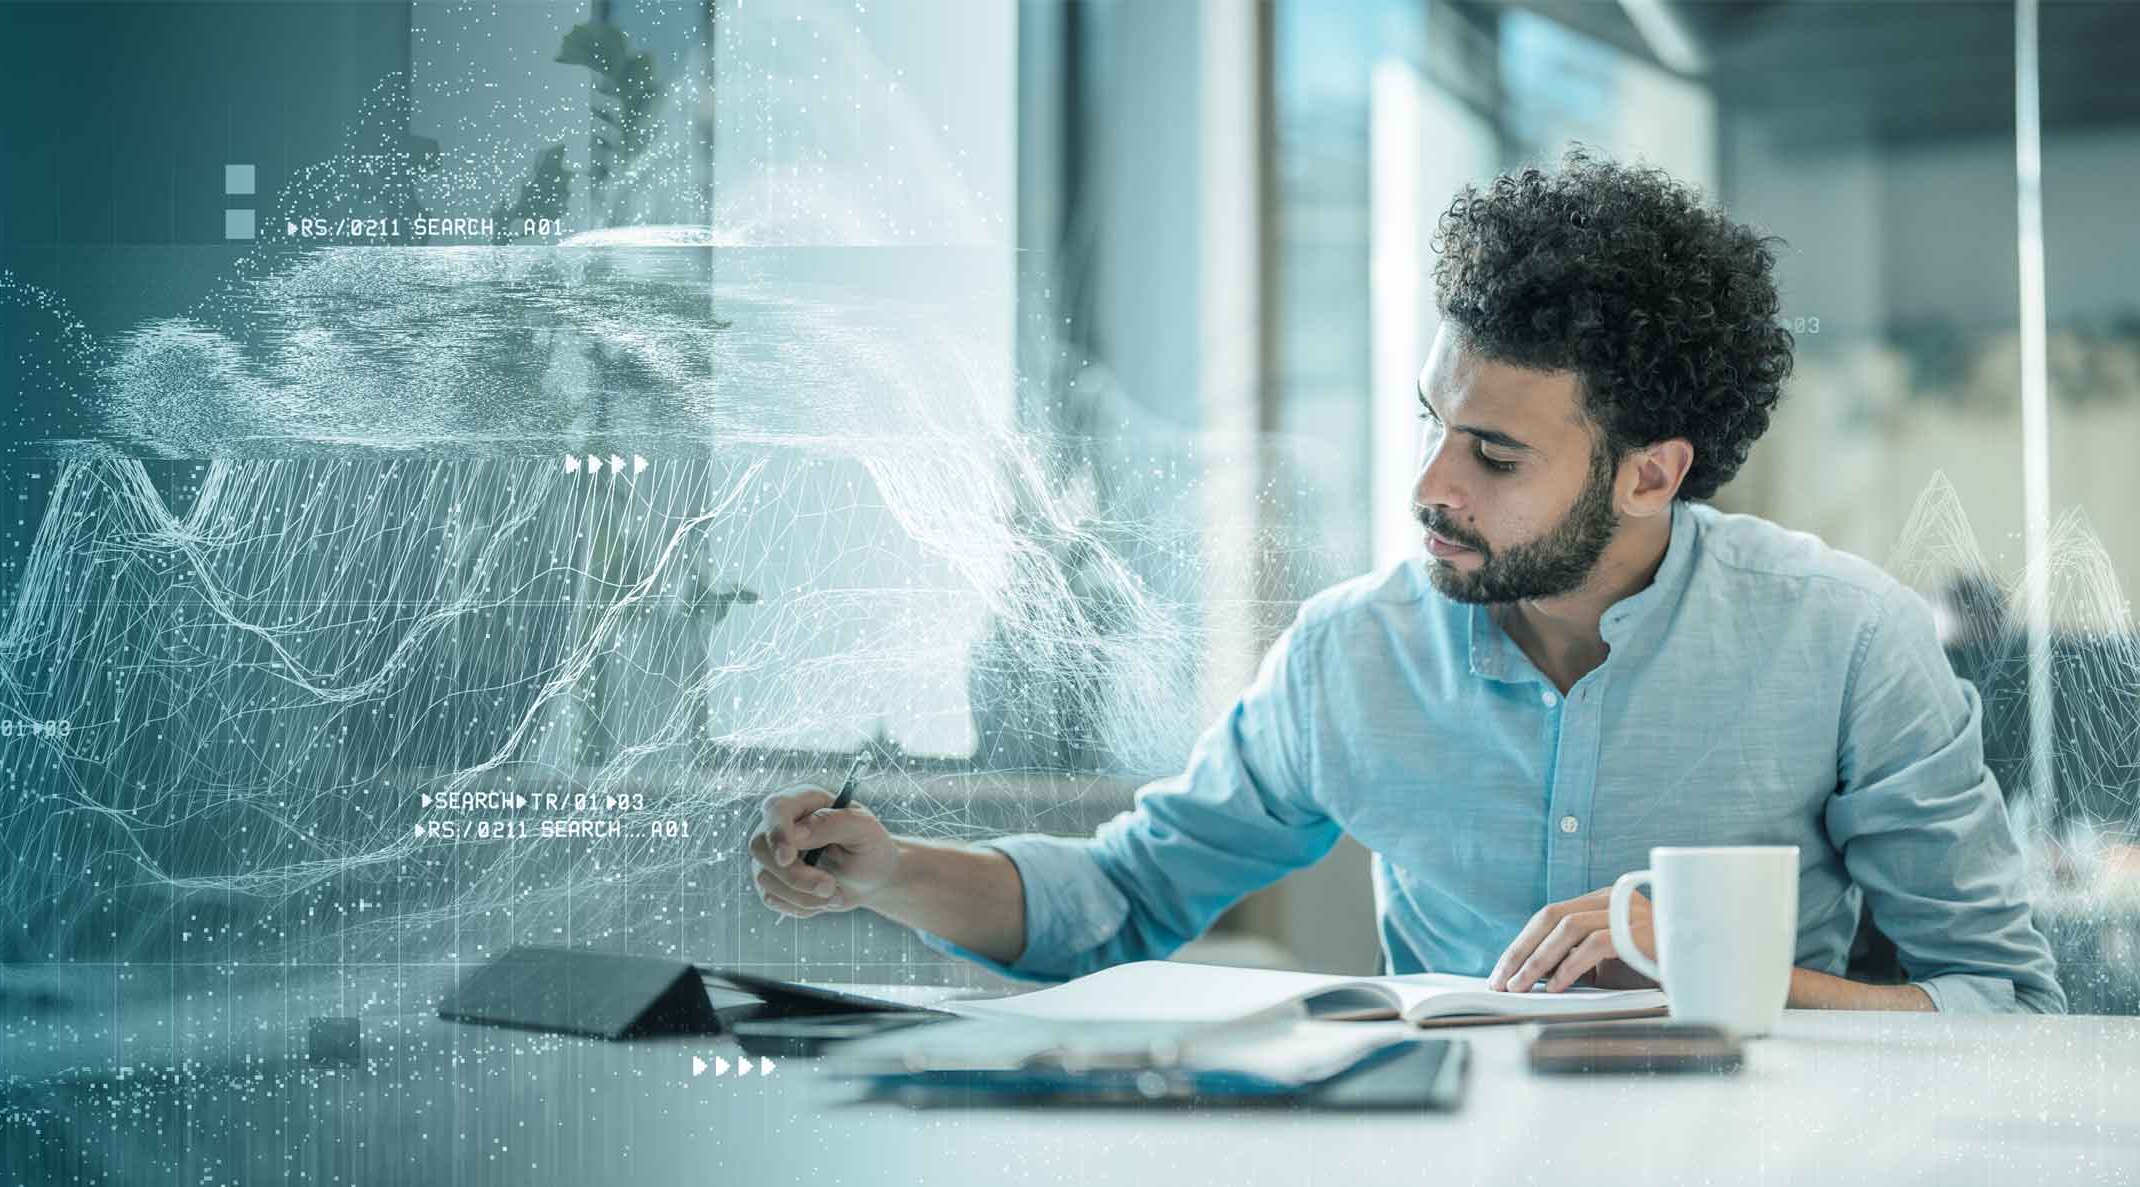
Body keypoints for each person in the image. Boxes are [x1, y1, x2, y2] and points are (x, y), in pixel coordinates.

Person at [745, 150, 2065, 1014]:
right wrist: (891, 870)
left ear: (1653, 475)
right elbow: (1126, 898)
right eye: (1430, 423)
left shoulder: (1850, 647)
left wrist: (1699, 961)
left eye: (1493, 453)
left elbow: (2009, 1006)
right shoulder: (1351, 656)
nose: (1429, 485)